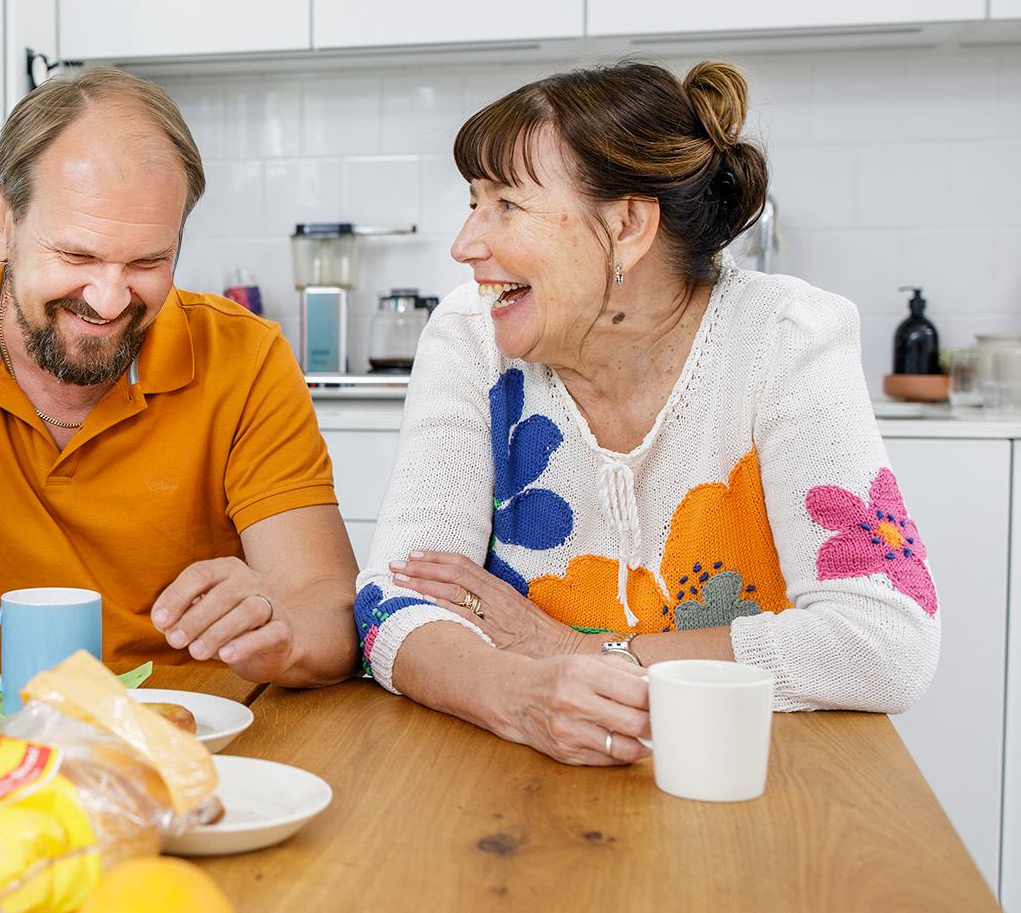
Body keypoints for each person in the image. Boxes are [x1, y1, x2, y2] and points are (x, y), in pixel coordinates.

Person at [354, 60, 940, 765]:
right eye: (473, 203)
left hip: (750, 774)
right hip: (518, 769)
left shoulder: (784, 336)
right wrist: (518, 694)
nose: (466, 244)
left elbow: (885, 642)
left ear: (628, 224)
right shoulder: (471, 337)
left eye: (506, 205)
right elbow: (392, 602)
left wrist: (584, 653)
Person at [0, 68, 357, 688]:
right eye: (77, 256)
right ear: (5, 217)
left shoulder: (246, 356)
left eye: (148, 261)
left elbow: (329, 605)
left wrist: (283, 633)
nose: (108, 301)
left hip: (188, 729)